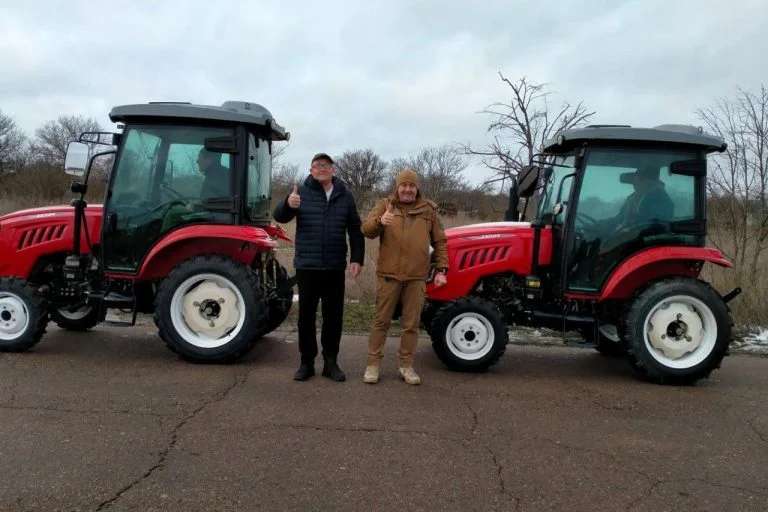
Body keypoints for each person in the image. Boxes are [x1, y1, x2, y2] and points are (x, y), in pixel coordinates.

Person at [273, 153, 364, 382]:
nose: (321, 169)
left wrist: (357, 258)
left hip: (334, 266)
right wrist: (287, 204)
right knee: (306, 316)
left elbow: (355, 229)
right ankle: (306, 362)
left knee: (333, 317)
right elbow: (280, 217)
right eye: (317, 166)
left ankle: (331, 362)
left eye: (326, 165)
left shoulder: (345, 195)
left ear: (333, 169)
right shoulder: (300, 193)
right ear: (311, 170)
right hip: (308, 266)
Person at [360, 169, 448, 385]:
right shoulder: (385, 205)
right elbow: (366, 230)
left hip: (416, 277)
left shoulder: (429, 210)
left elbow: (440, 242)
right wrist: (381, 221)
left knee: (411, 324)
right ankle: (373, 365)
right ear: (397, 187)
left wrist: (441, 269)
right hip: (389, 275)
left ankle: (406, 366)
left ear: (416, 188)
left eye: (411, 186)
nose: (407, 189)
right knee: (381, 321)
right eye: (404, 185)